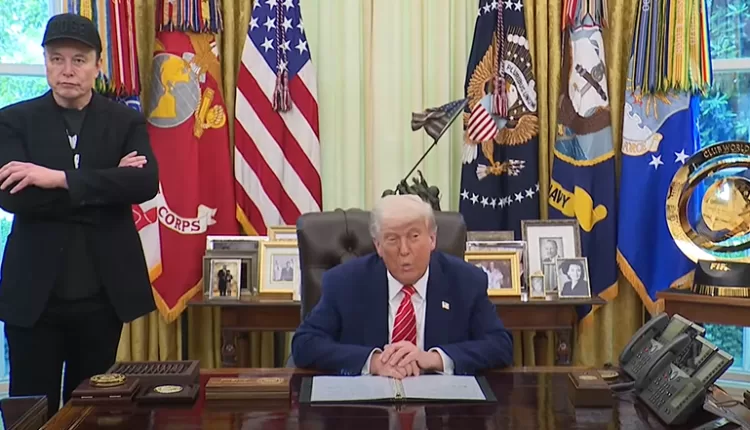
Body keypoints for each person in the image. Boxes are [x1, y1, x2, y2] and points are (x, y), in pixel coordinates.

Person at [0, 14, 158, 417]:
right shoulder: (13, 120)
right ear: (46, 62)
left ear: (98, 65)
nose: (67, 70)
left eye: (79, 60)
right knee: (30, 411)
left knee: (93, 412)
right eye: (57, 59)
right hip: (33, 297)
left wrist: (54, 178)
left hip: (102, 295)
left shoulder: (126, 120)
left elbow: (144, 184)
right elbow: (14, 198)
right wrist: (107, 181)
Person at [291, 194, 513, 377]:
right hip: (366, 406)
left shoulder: (466, 281)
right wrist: (374, 362)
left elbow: (500, 345)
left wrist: (433, 358)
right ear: (378, 245)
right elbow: (305, 344)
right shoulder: (344, 282)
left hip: (443, 408)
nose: (404, 250)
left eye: (414, 236)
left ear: (432, 239)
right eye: (392, 239)